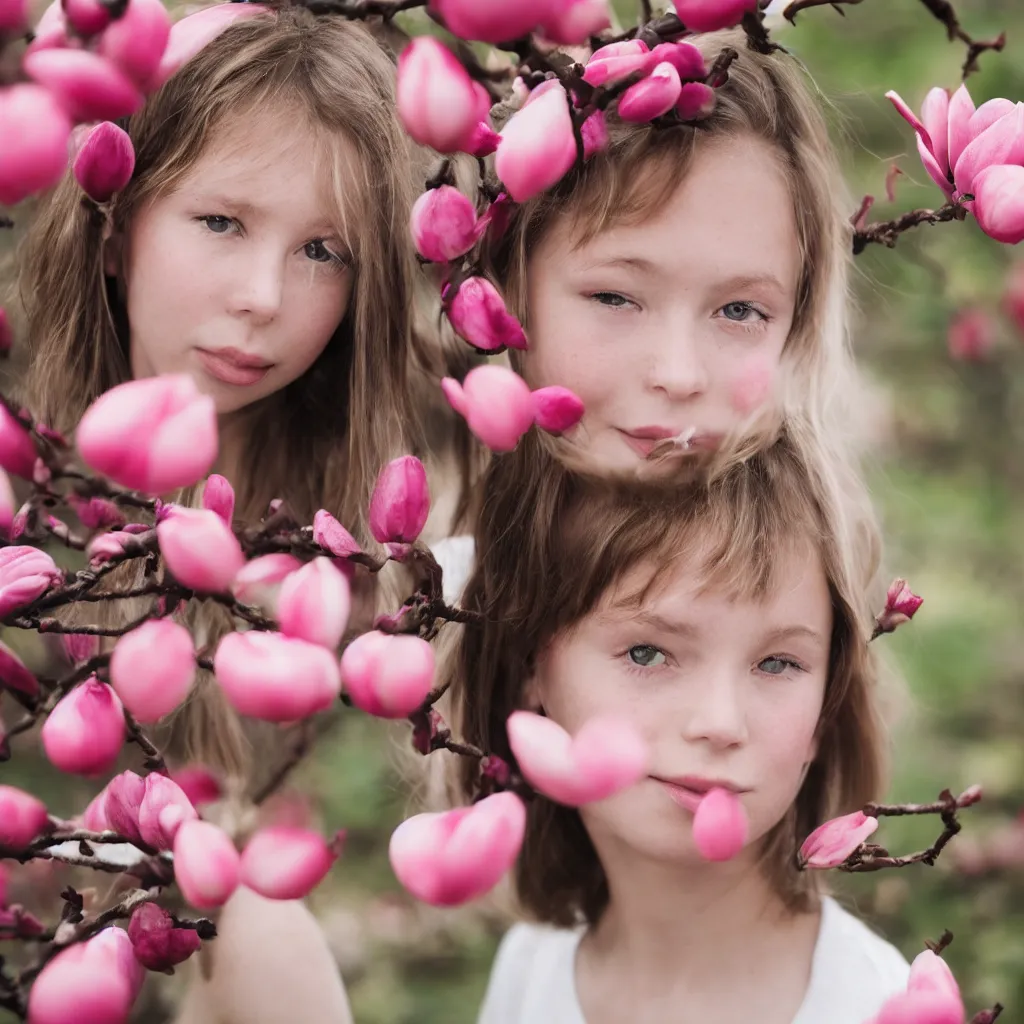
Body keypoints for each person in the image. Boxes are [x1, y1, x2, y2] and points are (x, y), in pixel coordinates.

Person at [9, 5, 450, 1021]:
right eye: (221, 222)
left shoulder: (390, 541)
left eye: (323, 251)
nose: (263, 296)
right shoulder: (25, 505)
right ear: (113, 223)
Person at [444, 433, 908, 1024]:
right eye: (647, 653)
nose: (720, 723)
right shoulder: (529, 974)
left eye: (777, 663)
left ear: (826, 708)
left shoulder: (878, 1005)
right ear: (530, 667)